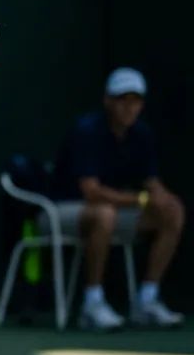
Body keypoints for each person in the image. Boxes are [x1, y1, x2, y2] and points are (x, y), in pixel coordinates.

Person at [53, 67, 185, 330]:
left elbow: (152, 183)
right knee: (105, 214)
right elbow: (91, 191)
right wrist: (143, 200)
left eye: (135, 100)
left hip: (111, 212)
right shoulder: (87, 130)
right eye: (122, 99)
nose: (129, 107)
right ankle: (92, 304)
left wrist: (163, 199)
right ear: (108, 101)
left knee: (173, 212)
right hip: (60, 211)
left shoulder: (141, 135)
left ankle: (147, 301)